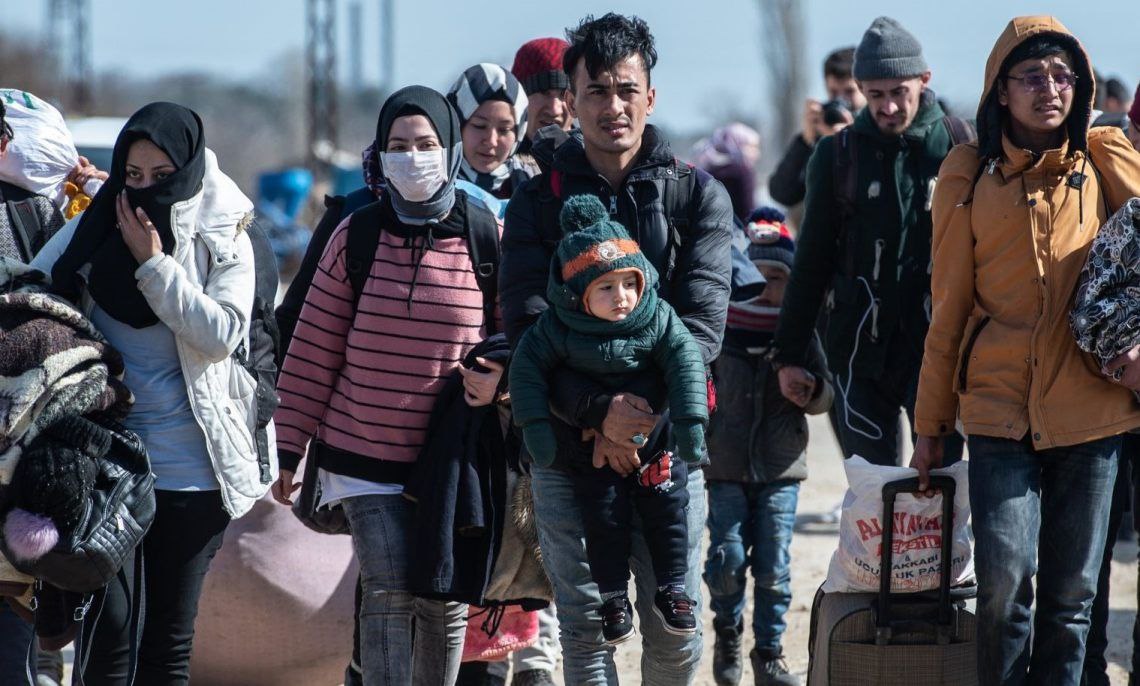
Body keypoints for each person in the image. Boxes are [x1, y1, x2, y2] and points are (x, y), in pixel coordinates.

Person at [500, 12, 733, 684]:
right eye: (596, 91)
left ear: (650, 97)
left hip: (669, 445)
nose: (613, 106)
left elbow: (702, 326)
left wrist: (637, 423)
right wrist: (597, 413)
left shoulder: (695, 194)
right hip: (568, 447)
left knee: (675, 628)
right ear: (571, 101)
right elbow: (527, 324)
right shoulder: (537, 202)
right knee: (586, 629)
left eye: (627, 90)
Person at [910, 16, 1140, 684]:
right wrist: (930, 426)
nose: (1050, 89)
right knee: (1004, 586)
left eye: (1063, 76)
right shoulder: (968, 176)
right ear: (1001, 91)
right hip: (997, 409)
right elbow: (948, 309)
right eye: (1032, 76)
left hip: (1092, 412)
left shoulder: (1103, 160)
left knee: (1073, 601)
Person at [28, 101, 269, 685]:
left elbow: (221, 334)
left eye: (161, 176)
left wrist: (155, 266)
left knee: (166, 645)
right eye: (133, 175)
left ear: (187, 171)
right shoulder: (101, 221)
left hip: (193, 470)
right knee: (107, 634)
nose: (144, 189)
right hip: (104, 467)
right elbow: (34, 288)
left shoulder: (227, 228)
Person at [270, 86, 504, 686]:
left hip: (450, 461)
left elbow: (516, 338)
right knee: (391, 586)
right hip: (361, 454)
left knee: (444, 598)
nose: (411, 158)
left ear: (450, 149)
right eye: (397, 146)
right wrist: (289, 448)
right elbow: (314, 346)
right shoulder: (358, 234)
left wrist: (499, 382)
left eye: (425, 144)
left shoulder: (486, 235)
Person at [510, 194, 708, 645]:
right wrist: (537, 429)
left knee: (669, 512)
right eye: (605, 288)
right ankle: (614, 597)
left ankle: (673, 590)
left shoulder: (657, 316)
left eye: (629, 283)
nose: (621, 297)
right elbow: (526, 371)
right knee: (603, 518)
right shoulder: (556, 328)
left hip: (657, 442)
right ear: (578, 294)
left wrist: (690, 423)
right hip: (589, 449)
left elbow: (686, 363)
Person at [770, 16, 967, 468]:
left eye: (899, 92)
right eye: (876, 95)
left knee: (940, 490)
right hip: (858, 351)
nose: (889, 107)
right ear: (860, 89)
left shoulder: (960, 146)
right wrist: (789, 355)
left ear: (924, 80)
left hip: (939, 353)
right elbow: (812, 260)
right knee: (873, 490)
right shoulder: (838, 155)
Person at [704, 209, 831, 686]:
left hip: (781, 469)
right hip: (724, 467)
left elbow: (827, 396)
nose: (766, 289)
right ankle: (727, 632)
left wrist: (811, 390)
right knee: (727, 559)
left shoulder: (798, 335)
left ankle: (770, 654)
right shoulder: (719, 333)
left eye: (778, 280)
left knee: (774, 567)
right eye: (757, 277)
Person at [768, 47, 865, 209]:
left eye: (849, 92)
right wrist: (805, 141)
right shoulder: (821, 131)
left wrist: (851, 140)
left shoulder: (878, 129)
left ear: (865, 89)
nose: (841, 99)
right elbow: (782, 193)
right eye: (834, 92)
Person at [447, 63, 532, 203]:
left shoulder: (535, 186)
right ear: (457, 125)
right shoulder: (431, 187)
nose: (491, 141)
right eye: (480, 126)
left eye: (504, 129)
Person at [691, 123, 762, 223]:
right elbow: (748, 211)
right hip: (736, 229)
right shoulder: (743, 172)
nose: (757, 153)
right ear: (738, 145)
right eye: (751, 147)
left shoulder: (707, 168)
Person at [512, 37, 574, 146]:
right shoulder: (492, 153)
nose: (554, 110)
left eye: (563, 95)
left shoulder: (599, 154)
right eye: (544, 93)